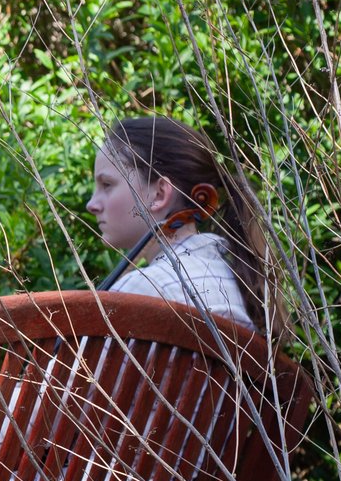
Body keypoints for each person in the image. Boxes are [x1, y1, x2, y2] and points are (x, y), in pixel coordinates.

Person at [87, 115, 279, 335]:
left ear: (159, 194)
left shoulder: (143, 289)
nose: (92, 204)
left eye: (107, 184)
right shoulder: (233, 281)